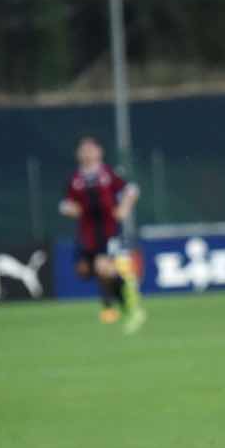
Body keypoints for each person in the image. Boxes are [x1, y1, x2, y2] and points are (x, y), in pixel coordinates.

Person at [59, 136, 145, 332]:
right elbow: (65, 204)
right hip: (87, 234)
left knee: (102, 267)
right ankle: (124, 289)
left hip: (108, 230)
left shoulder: (107, 174)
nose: (87, 153)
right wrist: (70, 209)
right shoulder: (75, 179)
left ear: (99, 152)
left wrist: (124, 208)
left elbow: (131, 189)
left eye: (91, 149)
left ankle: (118, 307)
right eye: (83, 149)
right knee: (84, 271)